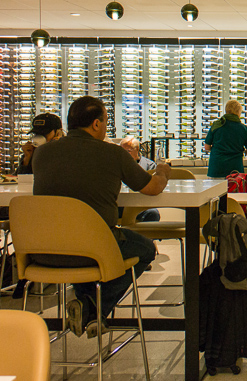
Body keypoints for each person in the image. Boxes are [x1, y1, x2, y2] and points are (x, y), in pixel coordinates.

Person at [32, 96, 171, 338]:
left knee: (84, 248)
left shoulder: (41, 154)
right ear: (96, 124)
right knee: (146, 249)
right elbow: (152, 188)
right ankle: (92, 307)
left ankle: (86, 304)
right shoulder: (113, 154)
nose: (106, 127)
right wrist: (162, 171)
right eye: (106, 122)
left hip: (44, 251)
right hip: (93, 249)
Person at [205, 100, 247, 178]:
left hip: (216, 168)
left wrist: (216, 150)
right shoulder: (244, 129)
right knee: (234, 189)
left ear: (226, 110)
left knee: (215, 189)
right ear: (239, 112)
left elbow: (207, 147)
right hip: (235, 169)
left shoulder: (216, 125)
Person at [119, 136, 160, 222]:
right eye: (121, 151)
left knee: (153, 214)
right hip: (121, 203)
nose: (124, 154)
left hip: (141, 204)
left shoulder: (149, 165)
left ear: (137, 149)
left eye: (128, 151)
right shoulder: (117, 164)